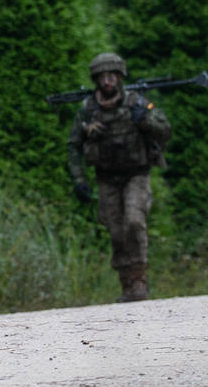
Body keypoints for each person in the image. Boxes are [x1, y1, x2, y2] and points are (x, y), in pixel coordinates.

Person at [66, 52, 171, 302]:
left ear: (120, 76)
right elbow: (73, 146)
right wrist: (79, 180)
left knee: (134, 221)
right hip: (106, 178)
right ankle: (127, 283)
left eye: (112, 76)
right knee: (115, 230)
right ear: (96, 79)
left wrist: (145, 122)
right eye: (102, 77)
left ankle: (139, 280)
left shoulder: (136, 103)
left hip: (136, 174)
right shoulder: (88, 110)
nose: (107, 81)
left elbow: (165, 131)